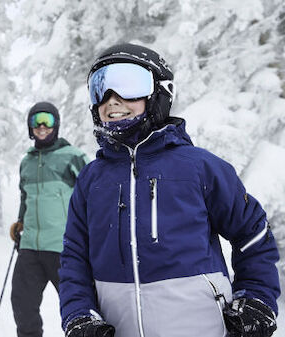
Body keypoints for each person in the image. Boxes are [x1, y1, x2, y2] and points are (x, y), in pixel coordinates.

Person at [59, 43, 280, 337]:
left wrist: (256, 297)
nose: (111, 100)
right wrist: (78, 316)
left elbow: (253, 233)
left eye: (127, 84)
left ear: (160, 92)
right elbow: (75, 257)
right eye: (100, 89)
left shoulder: (199, 167)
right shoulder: (91, 180)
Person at [9, 101, 89, 337]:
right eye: (36, 121)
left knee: (78, 307)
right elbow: (26, 197)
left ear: (57, 124)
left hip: (63, 247)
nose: (42, 126)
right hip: (30, 248)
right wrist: (20, 223)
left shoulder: (73, 157)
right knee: (22, 305)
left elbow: (91, 197)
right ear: (29, 127)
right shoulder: (27, 162)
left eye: (48, 120)